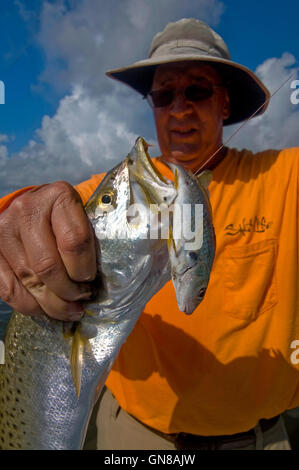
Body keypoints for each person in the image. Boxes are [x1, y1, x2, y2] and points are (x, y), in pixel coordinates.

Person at [0, 18, 298, 450]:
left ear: (226, 104)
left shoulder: (283, 178)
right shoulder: (123, 190)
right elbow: (41, 212)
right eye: (163, 95)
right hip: (136, 437)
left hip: (261, 439)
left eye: (197, 90)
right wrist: (19, 216)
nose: (179, 109)